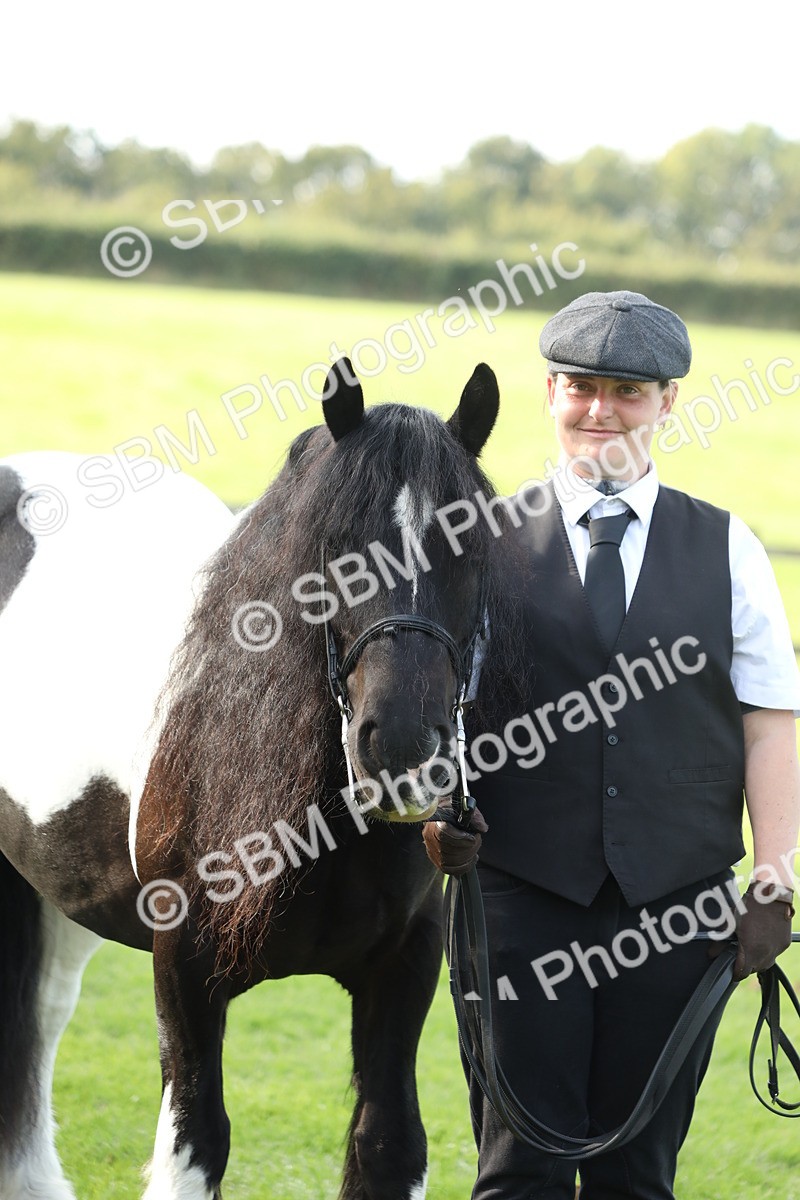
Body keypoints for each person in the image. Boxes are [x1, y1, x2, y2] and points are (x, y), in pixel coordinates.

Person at [422, 290, 800, 1200]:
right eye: (582, 386)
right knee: (520, 1172)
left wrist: (776, 880)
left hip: (678, 910)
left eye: (628, 390)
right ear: (549, 391)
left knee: (639, 1176)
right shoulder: (483, 545)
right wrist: (438, 812)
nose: (601, 410)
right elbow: (436, 705)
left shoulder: (730, 548)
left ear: (669, 402)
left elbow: (771, 720)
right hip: (517, 901)